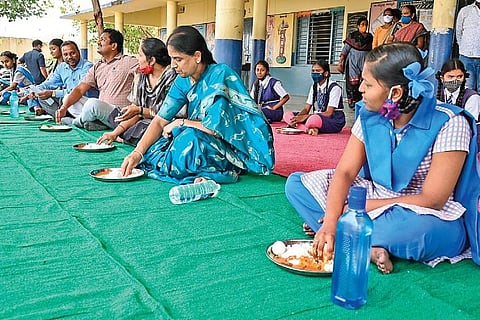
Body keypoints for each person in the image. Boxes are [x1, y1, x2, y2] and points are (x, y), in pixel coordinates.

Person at [285, 43, 480, 274]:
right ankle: (363, 243)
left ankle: (347, 233)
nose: (361, 90)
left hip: (423, 213)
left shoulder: (450, 122)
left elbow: (433, 199)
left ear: (394, 93)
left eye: (367, 84)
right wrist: (330, 220)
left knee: (418, 233)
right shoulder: (370, 115)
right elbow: (345, 172)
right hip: (375, 196)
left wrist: (359, 209)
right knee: (296, 184)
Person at [120, 26, 274, 184]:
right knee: (152, 149)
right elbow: (160, 120)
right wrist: (137, 153)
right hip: (198, 135)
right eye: (171, 59)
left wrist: (181, 122)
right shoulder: (182, 80)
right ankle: (195, 168)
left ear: (197, 56)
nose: (173, 65)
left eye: (178, 59)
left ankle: (215, 170)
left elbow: (216, 129)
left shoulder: (221, 75)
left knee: (188, 140)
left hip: (227, 143)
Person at [95, 37, 177, 146]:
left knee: (149, 129)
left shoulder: (172, 77)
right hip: (141, 120)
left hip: (164, 122)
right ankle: (123, 136)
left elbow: (167, 114)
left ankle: (126, 138)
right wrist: (114, 134)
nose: (138, 59)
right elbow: (135, 113)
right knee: (119, 117)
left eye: (140, 55)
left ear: (152, 60)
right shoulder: (140, 76)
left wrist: (140, 110)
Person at [55, 28, 138, 127]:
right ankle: (95, 122)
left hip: (119, 114)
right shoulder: (98, 66)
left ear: (114, 46)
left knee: (92, 103)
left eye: (103, 39)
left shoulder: (128, 62)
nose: (98, 42)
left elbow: (149, 68)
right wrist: (64, 108)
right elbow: (80, 89)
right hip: (100, 108)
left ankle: (76, 122)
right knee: (68, 98)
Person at [28, 41, 95, 117]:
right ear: (62, 55)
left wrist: (53, 93)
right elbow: (50, 83)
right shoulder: (62, 67)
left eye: (72, 53)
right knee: (42, 97)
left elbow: (77, 91)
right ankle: (62, 115)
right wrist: (36, 90)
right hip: (67, 102)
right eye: (65, 55)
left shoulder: (87, 67)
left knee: (67, 97)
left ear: (78, 52)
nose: (69, 57)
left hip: (84, 101)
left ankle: (69, 116)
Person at [283, 60, 345, 135]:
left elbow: (329, 113)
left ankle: (302, 127)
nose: (315, 73)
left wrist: (305, 117)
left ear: (326, 73)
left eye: (318, 71)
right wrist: (297, 118)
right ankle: (308, 129)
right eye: (313, 71)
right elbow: (306, 109)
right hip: (317, 115)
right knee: (288, 115)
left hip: (333, 119)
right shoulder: (314, 87)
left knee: (313, 120)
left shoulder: (335, 88)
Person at [337, 16, 373, 109]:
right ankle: (352, 101)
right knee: (353, 82)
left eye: (366, 24)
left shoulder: (369, 37)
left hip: (364, 63)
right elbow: (345, 50)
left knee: (363, 81)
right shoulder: (353, 36)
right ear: (358, 26)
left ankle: (361, 100)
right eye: (362, 24)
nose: (364, 26)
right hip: (353, 62)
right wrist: (340, 62)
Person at [455, 0, 480, 92]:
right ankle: (468, 106)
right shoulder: (465, 11)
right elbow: (459, 31)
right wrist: (462, 47)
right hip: (466, 55)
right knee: (467, 87)